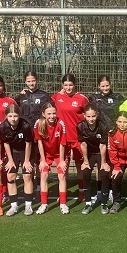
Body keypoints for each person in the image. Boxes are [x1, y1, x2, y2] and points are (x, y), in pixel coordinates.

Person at [52, 74, 91, 202]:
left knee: (80, 166)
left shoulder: (82, 99)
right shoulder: (57, 97)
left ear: (75, 85)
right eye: (66, 85)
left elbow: (90, 114)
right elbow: (45, 105)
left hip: (78, 139)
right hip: (63, 140)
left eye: (71, 85)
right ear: (62, 85)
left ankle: (82, 192)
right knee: (64, 167)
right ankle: (63, 192)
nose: (68, 88)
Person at [0, 103, 35, 216]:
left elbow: (28, 144)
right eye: (10, 116)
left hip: (26, 151)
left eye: (15, 116)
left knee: (27, 175)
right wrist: (10, 161)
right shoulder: (3, 126)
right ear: (6, 116)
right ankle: (14, 206)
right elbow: (5, 144)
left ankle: (28, 206)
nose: (13, 119)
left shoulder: (25, 125)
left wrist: (26, 161)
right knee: (10, 175)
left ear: (19, 115)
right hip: (13, 151)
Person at [33, 102, 69, 214]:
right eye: (49, 114)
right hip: (46, 153)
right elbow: (39, 142)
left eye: (54, 113)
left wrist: (62, 161)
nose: (52, 116)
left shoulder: (61, 123)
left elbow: (63, 143)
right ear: (43, 114)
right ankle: (44, 204)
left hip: (60, 153)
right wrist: (43, 160)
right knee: (43, 174)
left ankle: (63, 203)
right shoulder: (39, 123)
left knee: (62, 174)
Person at [78, 103, 110, 215]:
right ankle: (88, 203)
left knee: (104, 173)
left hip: (101, 153)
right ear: (84, 116)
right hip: (89, 153)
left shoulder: (103, 126)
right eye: (88, 116)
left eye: (93, 116)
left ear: (97, 115)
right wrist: (86, 162)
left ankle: (104, 204)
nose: (91, 119)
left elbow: (103, 145)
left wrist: (104, 162)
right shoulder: (80, 126)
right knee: (85, 172)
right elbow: (83, 145)